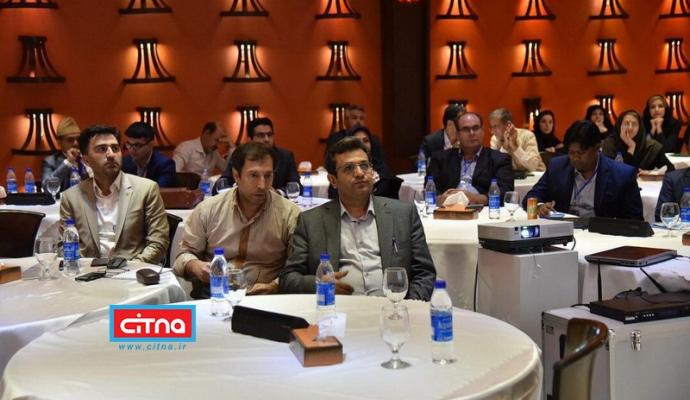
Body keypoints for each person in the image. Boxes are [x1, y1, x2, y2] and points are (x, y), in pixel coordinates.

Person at [279, 137, 436, 300]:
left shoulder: (403, 214)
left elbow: (425, 273)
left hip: (394, 308)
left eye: (364, 165)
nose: (360, 173)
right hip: (339, 309)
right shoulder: (311, 221)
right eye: (349, 168)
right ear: (333, 180)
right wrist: (319, 284)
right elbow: (288, 278)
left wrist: (408, 306)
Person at [175, 142, 300, 298]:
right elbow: (183, 255)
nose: (262, 185)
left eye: (268, 176)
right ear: (236, 175)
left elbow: (298, 267)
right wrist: (195, 266)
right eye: (253, 175)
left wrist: (275, 285)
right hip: (214, 294)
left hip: (266, 297)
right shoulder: (209, 209)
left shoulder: (289, 214)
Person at [59, 125, 169, 264]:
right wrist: (86, 268)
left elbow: (158, 242)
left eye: (115, 148)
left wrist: (130, 268)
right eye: (102, 149)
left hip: (133, 272)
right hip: (87, 272)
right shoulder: (71, 197)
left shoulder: (146, 189)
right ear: (86, 160)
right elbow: (64, 245)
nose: (111, 155)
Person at [524, 120, 643, 220]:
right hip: (564, 232)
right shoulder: (557, 167)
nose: (575, 158)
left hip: (602, 235)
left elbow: (636, 222)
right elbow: (529, 198)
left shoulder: (622, 175)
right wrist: (539, 207)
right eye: (571, 153)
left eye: (580, 153)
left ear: (597, 148)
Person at [427, 112, 514, 206]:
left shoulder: (500, 159)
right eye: (466, 129)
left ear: (482, 131)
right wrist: (440, 199)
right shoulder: (440, 158)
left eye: (476, 128)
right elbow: (430, 189)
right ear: (458, 135)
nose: (472, 133)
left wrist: (476, 199)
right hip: (448, 210)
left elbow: (505, 194)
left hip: (482, 211)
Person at [216, 117, 300, 194]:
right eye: (261, 135)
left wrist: (278, 193)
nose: (266, 139)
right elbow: (220, 186)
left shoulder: (285, 156)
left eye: (269, 135)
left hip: (278, 202)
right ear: (250, 140)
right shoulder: (240, 155)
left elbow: (296, 185)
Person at [602, 110, 674, 171]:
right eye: (626, 123)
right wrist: (631, 147)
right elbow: (615, 173)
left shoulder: (651, 147)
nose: (630, 128)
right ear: (619, 126)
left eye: (634, 124)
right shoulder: (610, 144)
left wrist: (652, 173)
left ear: (640, 128)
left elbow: (671, 170)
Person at [41, 116, 90, 192]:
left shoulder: (86, 158)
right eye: (70, 140)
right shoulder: (50, 161)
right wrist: (68, 162)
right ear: (59, 143)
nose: (76, 143)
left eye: (78, 139)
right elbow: (47, 188)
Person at [489, 108, 545, 172]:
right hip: (512, 177)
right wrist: (505, 148)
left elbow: (533, 166)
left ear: (508, 125)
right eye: (491, 127)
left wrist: (515, 147)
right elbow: (495, 167)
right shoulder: (495, 139)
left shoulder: (527, 135)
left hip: (536, 175)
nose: (492, 132)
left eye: (495, 127)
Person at [121, 122, 176, 187]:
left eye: (137, 145)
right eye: (129, 144)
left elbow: (159, 190)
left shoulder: (165, 164)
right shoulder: (124, 162)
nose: (132, 149)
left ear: (151, 144)